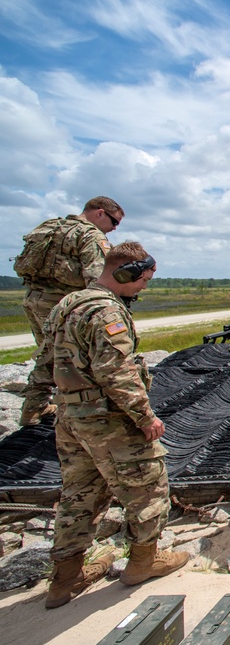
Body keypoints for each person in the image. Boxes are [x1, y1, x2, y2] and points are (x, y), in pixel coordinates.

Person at [21, 241, 188, 609]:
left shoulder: (68, 303)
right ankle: (144, 562)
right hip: (109, 421)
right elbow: (116, 372)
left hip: (71, 421)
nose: (143, 288)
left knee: (79, 496)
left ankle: (65, 579)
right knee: (147, 489)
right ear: (124, 272)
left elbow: (44, 360)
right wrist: (145, 417)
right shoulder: (106, 312)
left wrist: (32, 406)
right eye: (142, 280)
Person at [15, 197, 124, 426]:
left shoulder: (50, 227)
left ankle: (37, 405)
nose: (114, 229)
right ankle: (55, 410)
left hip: (34, 299)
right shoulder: (90, 235)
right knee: (62, 358)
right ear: (100, 213)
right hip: (63, 304)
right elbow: (98, 280)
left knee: (48, 354)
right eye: (114, 222)